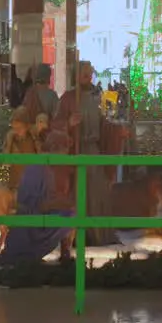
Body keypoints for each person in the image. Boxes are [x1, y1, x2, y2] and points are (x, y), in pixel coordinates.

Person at [56, 60, 127, 246]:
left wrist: (118, 131)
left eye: (90, 72)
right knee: (76, 195)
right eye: (84, 72)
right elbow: (55, 125)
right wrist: (69, 124)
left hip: (93, 151)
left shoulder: (97, 97)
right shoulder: (68, 98)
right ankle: (73, 236)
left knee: (97, 193)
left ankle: (97, 234)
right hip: (75, 152)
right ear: (76, 75)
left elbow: (104, 125)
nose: (88, 76)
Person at [0, 129, 76, 265]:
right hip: (19, 196)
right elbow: (4, 163)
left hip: (27, 189)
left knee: (72, 212)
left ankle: (65, 251)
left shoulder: (35, 146)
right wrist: (2, 182)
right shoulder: (34, 164)